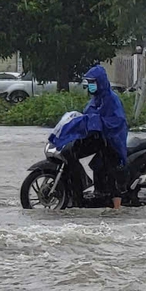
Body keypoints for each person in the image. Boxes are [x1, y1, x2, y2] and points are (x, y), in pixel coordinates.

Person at [48, 64, 129, 208]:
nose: (91, 86)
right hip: (98, 139)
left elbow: (117, 122)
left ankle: (117, 209)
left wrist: (97, 122)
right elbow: (86, 117)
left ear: (101, 82)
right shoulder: (95, 99)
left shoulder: (112, 99)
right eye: (89, 83)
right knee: (71, 153)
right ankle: (78, 189)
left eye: (93, 83)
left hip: (112, 141)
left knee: (110, 168)